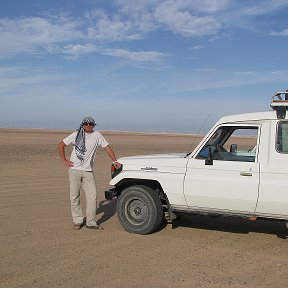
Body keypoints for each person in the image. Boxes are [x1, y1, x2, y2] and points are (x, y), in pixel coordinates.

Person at [58, 116, 121, 230]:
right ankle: (77, 221)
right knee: (74, 196)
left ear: (94, 125)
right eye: (86, 124)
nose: (88, 126)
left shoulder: (97, 135)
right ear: (82, 125)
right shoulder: (76, 134)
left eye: (90, 124)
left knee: (92, 196)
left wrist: (115, 161)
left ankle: (91, 222)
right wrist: (64, 160)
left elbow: (107, 147)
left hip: (88, 171)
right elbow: (61, 145)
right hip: (74, 170)